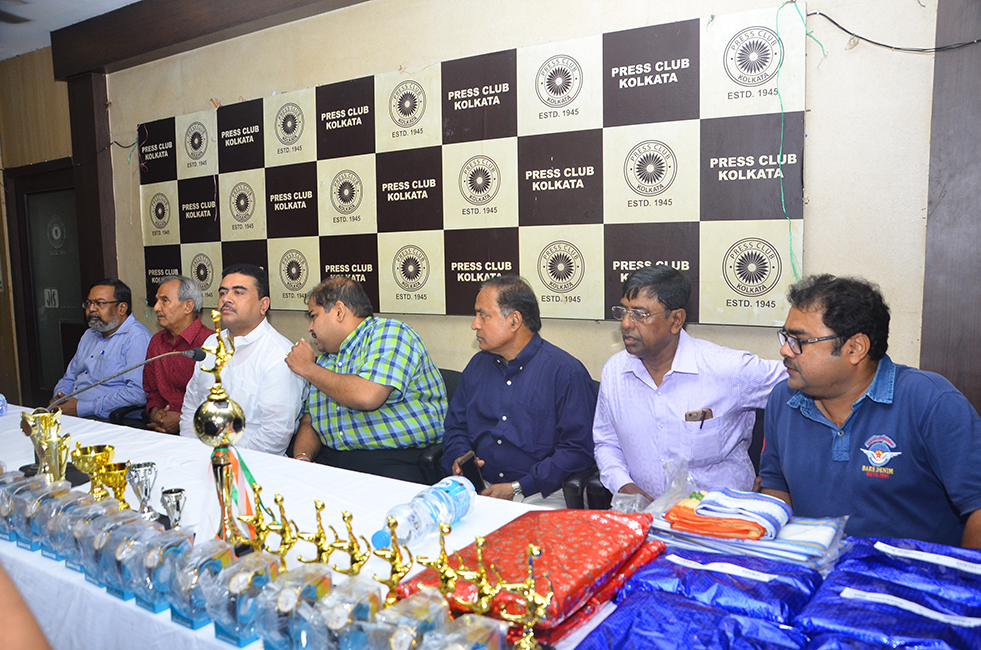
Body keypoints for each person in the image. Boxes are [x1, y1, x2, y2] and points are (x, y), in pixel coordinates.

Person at [760, 274, 981, 547]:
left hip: (908, 572)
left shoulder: (932, 401)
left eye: (799, 341)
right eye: (786, 337)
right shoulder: (783, 399)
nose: (785, 349)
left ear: (855, 349)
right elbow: (776, 491)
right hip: (813, 567)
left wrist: (958, 573)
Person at [593, 266, 786, 501]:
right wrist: (624, 486)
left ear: (676, 320)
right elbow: (606, 443)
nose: (626, 323)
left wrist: (777, 476)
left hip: (718, 517)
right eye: (624, 311)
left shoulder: (728, 369)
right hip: (646, 516)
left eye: (640, 314)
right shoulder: (615, 372)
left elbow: (802, 381)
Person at [441, 276, 597, 507]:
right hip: (478, 487)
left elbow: (578, 450)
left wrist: (519, 486)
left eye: (483, 315)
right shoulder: (477, 366)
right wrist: (460, 457)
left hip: (541, 492)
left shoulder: (565, 372)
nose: (475, 324)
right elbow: (455, 427)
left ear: (514, 321)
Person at [286, 276, 446, 483]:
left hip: (393, 461)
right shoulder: (326, 359)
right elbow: (311, 420)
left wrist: (308, 368)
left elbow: (367, 396)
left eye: (313, 316)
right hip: (332, 460)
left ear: (339, 311)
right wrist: (302, 459)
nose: (310, 328)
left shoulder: (389, 333)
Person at [179, 264, 306, 455]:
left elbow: (275, 433)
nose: (226, 299)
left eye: (238, 293)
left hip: (251, 464)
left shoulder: (279, 354)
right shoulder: (212, 343)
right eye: (223, 293)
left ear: (263, 305)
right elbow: (191, 406)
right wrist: (191, 452)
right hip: (199, 456)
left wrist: (229, 462)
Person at [51, 279, 152, 418]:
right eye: (88, 303)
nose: (91, 309)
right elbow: (69, 377)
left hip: (104, 418)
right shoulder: (89, 334)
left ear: (121, 308)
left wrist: (82, 408)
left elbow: (137, 393)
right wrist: (59, 396)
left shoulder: (136, 337)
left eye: (100, 303)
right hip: (71, 413)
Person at [143, 275, 211, 433]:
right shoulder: (156, 342)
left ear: (188, 306)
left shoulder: (210, 343)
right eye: (157, 301)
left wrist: (183, 420)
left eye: (164, 300)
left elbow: (217, 401)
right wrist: (155, 413)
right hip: (160, 430)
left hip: (201, 431)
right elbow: (152, 391)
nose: (156, 308)